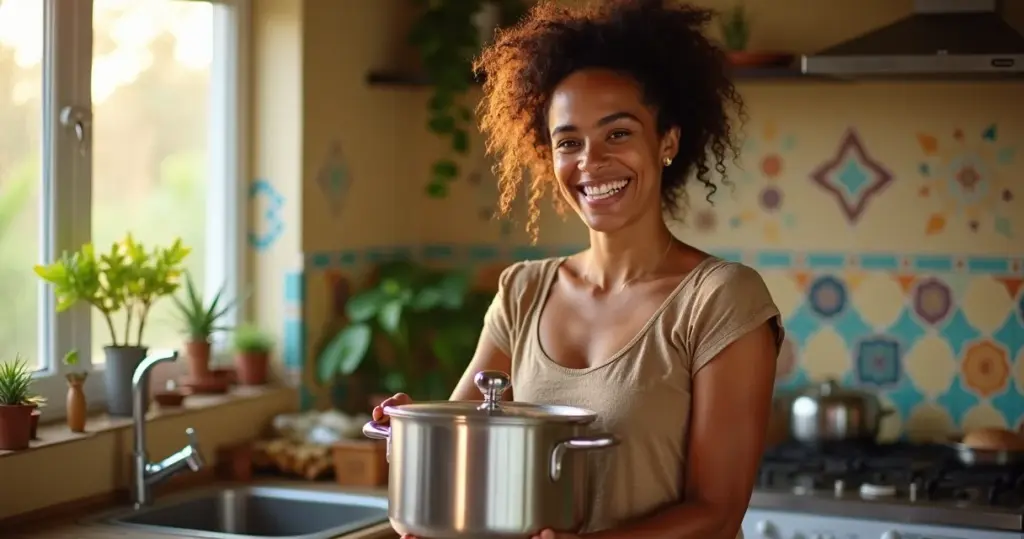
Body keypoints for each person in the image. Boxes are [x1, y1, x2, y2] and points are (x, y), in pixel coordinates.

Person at [373, 0, 784, 537]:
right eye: (569, 141)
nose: (591, 161)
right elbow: (463, 454)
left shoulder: (721, 299)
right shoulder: (523, 291)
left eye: (618, 133)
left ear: (667, 142)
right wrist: (416, 429)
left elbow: (717, 513)